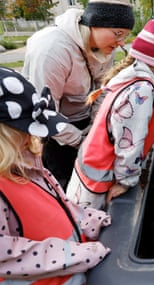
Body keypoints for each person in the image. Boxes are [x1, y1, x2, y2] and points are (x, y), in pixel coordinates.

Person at [0, 67, 111, 285]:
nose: (33, 139)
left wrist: (92, 221)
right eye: (24, 131)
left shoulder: (25, 165)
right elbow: (4, 253)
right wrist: (78, 254)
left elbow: (60, 208)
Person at [66, 19, 154, 210]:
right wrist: (125, 181)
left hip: (93, 176)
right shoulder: (140, 92)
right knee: (90, 229)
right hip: (97, 186)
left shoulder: (135, 78)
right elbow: (129, 144)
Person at [22, 0, 135, 189]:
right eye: (118, 34)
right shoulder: (52, 49)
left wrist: (94, 127)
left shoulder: (104, 46)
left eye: (125, 36)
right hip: (54, 132)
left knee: (92, 181)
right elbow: (45, 112)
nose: (121, 42)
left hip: (84, 121)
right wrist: (81, 141)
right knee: (65, 184)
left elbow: (102, 89)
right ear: (94, 24)